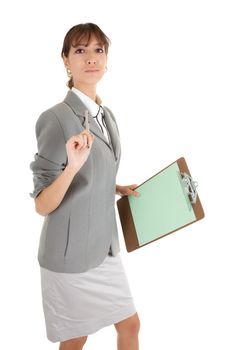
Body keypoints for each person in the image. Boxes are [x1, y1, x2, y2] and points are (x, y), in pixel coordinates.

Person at [30, 23, 140, 350]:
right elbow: (42, 204)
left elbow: (92, 173)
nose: (90, 58)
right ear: (66, 59)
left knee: (130, 325)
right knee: (76, 339)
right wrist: (72, 168)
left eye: (98, 50)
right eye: (80, 51)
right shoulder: (55, 118)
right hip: (70, 256)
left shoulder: (108, 116)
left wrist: (114, 186)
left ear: (107, 59)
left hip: (104, 248)